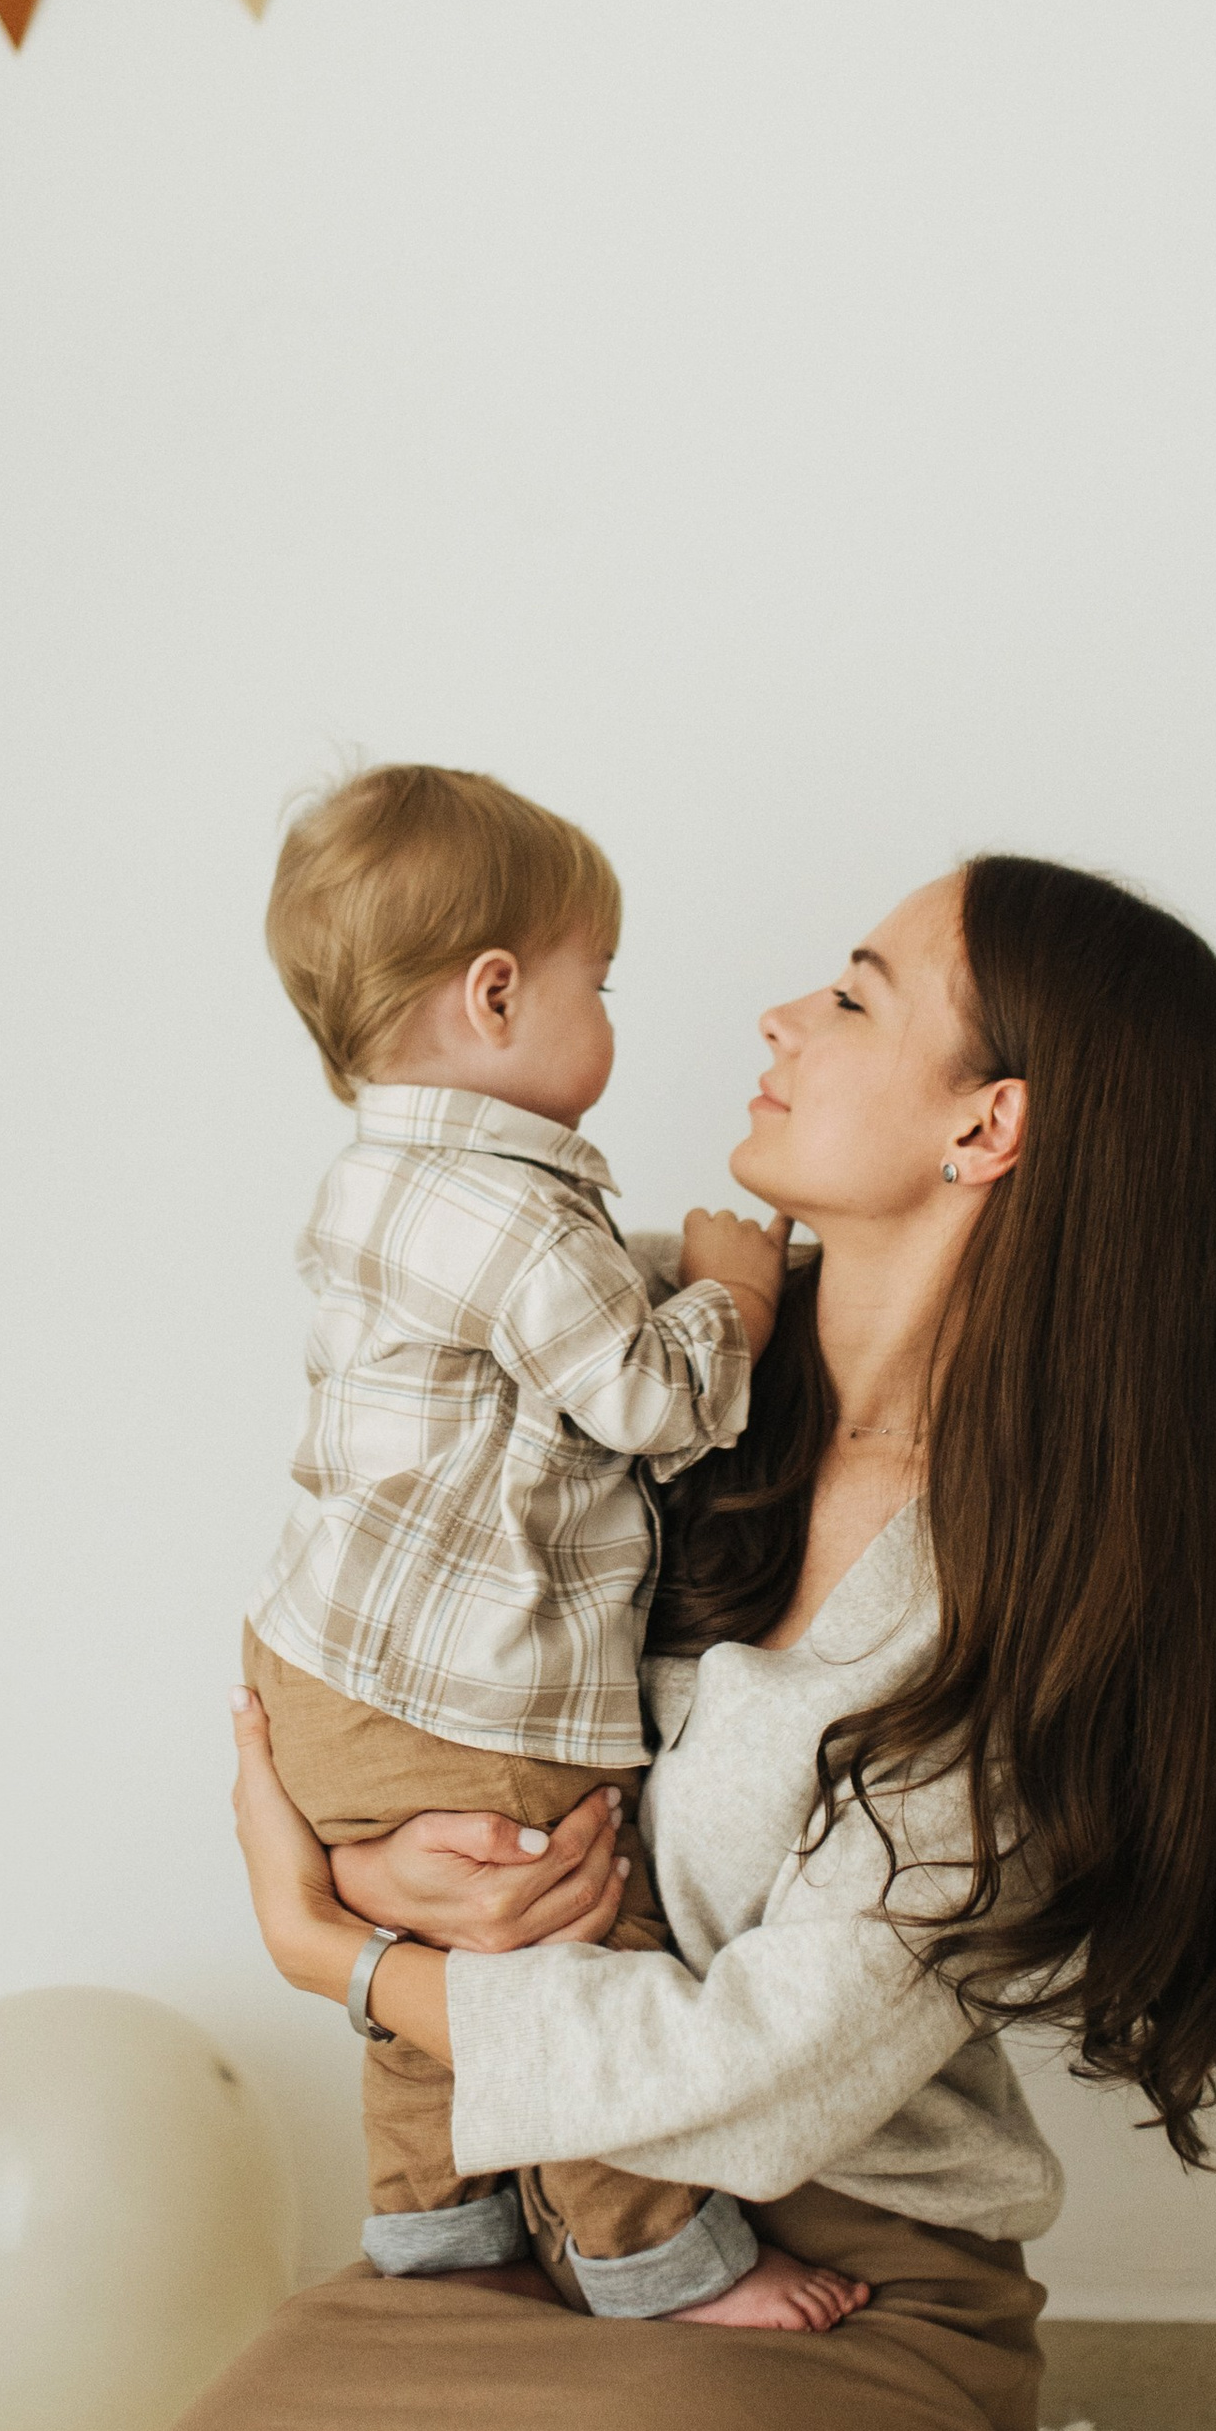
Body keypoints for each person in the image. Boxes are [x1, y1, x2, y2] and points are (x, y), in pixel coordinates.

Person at [3, 854, 1216, 2431]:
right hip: (556, 2231)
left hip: (848, 2309)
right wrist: (391, 1854)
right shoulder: (669, 1380)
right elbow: (401, 1639)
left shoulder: (1026, 1596)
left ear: (991, 1128)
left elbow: (748, 2086)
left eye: (861, 996)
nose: (782, 1016)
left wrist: (343, 1959)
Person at [250, 762, 861, 2332]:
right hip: (468, 1694)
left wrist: (676, 1269)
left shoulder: (385, 1182)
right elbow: (654, 1397)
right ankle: (650, 2256)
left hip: (326, 1669)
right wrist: (737, 1301)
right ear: (499, 996)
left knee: (426, 2006)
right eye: (603, 980)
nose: (618, 1014)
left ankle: (439, 2241)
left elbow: (547, 1340)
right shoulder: (523, 1221)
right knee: (579, 1948)